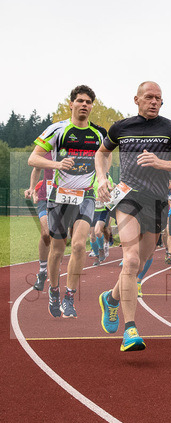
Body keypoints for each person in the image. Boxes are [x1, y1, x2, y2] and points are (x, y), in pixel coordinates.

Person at [95, 81, 171, 351]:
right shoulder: (121, 128)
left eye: (158, 98)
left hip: (158, 201)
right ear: (136, 99)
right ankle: (130, 330)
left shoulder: (170, 129)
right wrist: (102, 178)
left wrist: (160, 162)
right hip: (128, 197)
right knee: (130, 260)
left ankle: (111, 299)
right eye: (149, 97)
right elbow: (101, 154)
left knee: (140, 264)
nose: (154, 102)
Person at [27, 85, 106, 318]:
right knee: (58, 250)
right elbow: (33, 159)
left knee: (80, 245)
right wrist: (57, 164)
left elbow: (105, 156)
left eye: (88, 102)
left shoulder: (99, 133)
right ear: (71, 104)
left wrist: (102, 179)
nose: (84, 105)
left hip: (85, 195)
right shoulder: (57, 130)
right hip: (59, 196)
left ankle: (70, 296)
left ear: (92, 106)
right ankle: (54, 290)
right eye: (80, 101)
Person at [25, 167, 53, 291]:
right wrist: (31, 189)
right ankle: (42, 271)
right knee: (46, 233)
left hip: (64, 196)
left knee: (58, 236)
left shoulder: (70, 154)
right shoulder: (46, 152)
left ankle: (54, 268)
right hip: (45, 197)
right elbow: (36, 167)